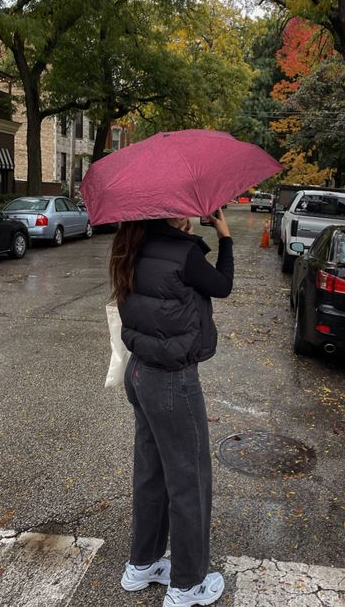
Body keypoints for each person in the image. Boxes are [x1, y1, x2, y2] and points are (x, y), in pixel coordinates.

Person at [109, 210, 234, 607]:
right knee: (189, 480)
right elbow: (223, 285)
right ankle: (187, 585)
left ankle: (141, 565)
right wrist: (224, 236)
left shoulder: (129, 245)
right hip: (171, 381)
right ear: (173, 211)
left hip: (140, 373)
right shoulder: (183, 253)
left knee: (150, 473)